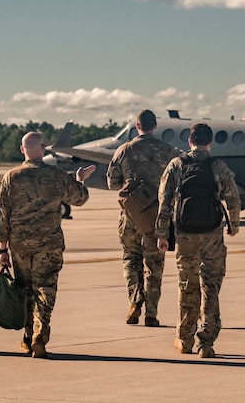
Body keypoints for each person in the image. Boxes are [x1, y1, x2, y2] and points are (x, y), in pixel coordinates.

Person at [0, 131, 96, 359]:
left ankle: (28, 335)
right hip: (49, 244)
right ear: (43, 148)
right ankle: (40, 334)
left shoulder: (10, 177)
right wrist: (80, 180)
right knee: (45, 289)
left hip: (20, 245)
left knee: (25, 288)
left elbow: (1, 215)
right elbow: (79, 199)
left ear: (22, 150)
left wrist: (3, 249)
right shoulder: (56, 175)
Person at [155, 123, 240, 358]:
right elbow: (233, 199)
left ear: (190, 141)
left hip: (185, 234)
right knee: (210, 286)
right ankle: (206, 342)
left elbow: (164, 201)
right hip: (212, 234)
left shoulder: (177, 165)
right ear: (210, 143)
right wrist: (233, 226)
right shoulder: (218, 167)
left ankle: (184, 339)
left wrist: (162, 234)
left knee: (187, 285)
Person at [107, 110, 180, 327]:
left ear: (136, 126)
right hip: (157, 217)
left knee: (131, 258)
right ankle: (152, 313)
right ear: (155, 126)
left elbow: (112, 182)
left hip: (131, 215)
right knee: (154, 264)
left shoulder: (124, 150)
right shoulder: (169, 152)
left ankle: (134, 301)